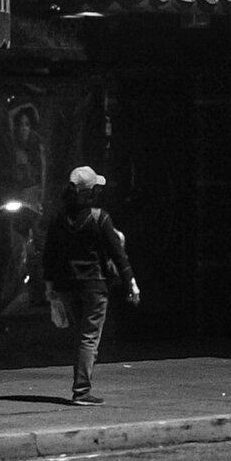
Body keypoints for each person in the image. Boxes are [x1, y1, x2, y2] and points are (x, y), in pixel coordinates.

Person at [43, 163, 138, 404]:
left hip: (68, 286)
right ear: (90, 192)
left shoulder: (59, 218)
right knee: (89, 337)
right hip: (95, 286)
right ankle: (82, 391)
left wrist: (49, 287)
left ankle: (81, 385)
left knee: (80, 336)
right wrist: (131, 284)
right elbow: (118, 255)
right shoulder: (100, 218)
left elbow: (49, 255)